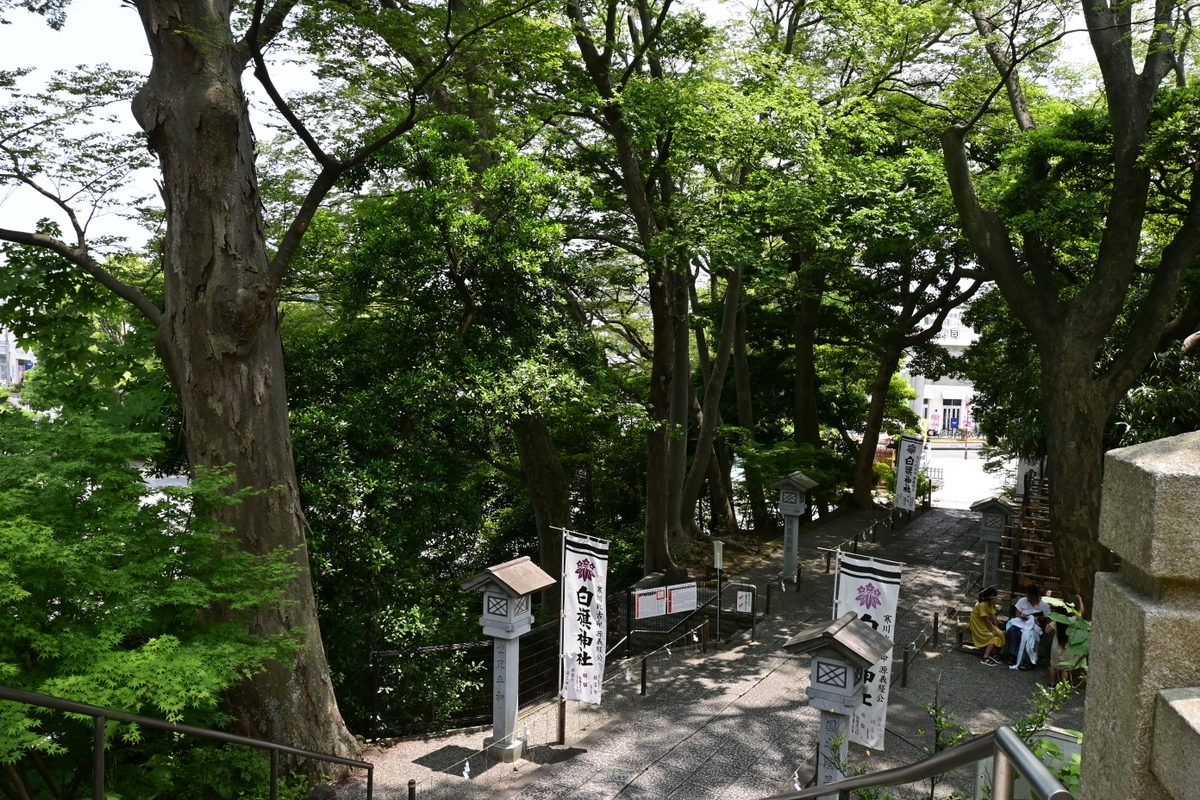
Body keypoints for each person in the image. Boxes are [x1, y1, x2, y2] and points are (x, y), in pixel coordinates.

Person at [1004, 584, 1053, 670]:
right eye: (1028, 597)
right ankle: (1013, 654)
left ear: (1037, 596)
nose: (1030, 599)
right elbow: (1017, 614)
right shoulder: (1023, 601)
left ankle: (1029, 660)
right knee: (1013, 631)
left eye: (1032, 597)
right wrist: (1022, 616)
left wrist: (1038, 619)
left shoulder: (1044, 606)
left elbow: (1047, 621)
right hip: (1021, 623)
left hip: (1035, 627)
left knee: (1029, 637)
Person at [969, 586, 1006, 665]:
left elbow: (994, 617)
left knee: (1001, 634)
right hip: (978, 625)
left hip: (983, 624)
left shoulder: (990, 605)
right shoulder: (982, 605)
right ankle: (985, 657)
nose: (997, 598)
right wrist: (993, 631)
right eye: (996, 596)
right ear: (991, 596)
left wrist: (997, 628)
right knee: (992, 637)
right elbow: (986, 620)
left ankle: (993, 652)